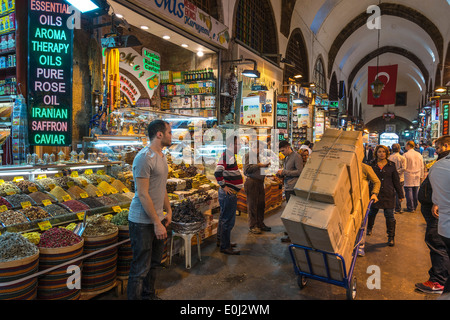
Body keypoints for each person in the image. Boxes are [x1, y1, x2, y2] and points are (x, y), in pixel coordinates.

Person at [127, 120, 172, 300]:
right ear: (159, 134)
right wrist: (156, 222)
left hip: (157, 218)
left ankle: (149, 295)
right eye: (169, 132)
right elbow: (143, 194)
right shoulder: (144, 157)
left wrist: (168, 211)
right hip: (141, 222)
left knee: (154, 263)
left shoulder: (161, 156)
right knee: (140, 268)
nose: (171, 135)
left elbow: (162, 187)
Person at [415, 136, 450, 294]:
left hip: (441, 214)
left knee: (437, 244)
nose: (435, 151)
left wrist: (436, 201)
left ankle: (438, 281)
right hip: (438, 211)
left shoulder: (444, 164)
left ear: (446, 145)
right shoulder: (442, 162)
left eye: (438, 147)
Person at [367, 145, 404, 247]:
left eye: (384, 152)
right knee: (371, 213)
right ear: (376, 153)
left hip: (388, 194)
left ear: (387, 153)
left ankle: (391, 237)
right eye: (379, 152)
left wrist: (400, 194)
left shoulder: (391, 165)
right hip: (375, 194)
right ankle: (369, 228)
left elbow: (396, 180)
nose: (381, 153)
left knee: (390, 216)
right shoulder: (371, 164)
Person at [214, 136, 244, 255]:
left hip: (229, 193)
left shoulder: (230, 156)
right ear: (231, 145)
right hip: (228, 194)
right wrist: (224, 186)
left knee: (223, 218)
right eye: (238, 144)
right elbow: (217, 172)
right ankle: (225, 247)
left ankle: (222, 241)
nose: (240, 147)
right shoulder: (227, 156)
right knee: (228, 220)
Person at [429, 136, 450, 294]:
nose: (436, 151)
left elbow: (436, 197)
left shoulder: (438, 167)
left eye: (437, 148)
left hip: (444, 226)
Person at [277, 140, 303, 243]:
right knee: (289, 211)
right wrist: (281, 174)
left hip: (293, 187)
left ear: (288, 147)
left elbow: (300, 172)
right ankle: (291, 232)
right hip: (288, 187)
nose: (282, 153)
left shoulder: (296, 157)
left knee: (292, 213)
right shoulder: (287, 157)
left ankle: (293, 236)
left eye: (283, 150)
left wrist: (284, 172)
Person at [244, 139, 270, 234]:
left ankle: (260, 223)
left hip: (260, 183)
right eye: (261, 148)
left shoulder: (259, 156)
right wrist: (259, 165)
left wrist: (266, 167)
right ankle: (252, 225)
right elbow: (246, 170)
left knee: (261, 204)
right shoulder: (248, 156)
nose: (262, 150)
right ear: (255, 147)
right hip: (252, 183)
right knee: (252, 205)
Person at [357, 162, 381, 256]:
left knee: (362, 223)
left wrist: (374, 193)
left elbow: (376, 181)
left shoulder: (365, 167)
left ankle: (360, 246)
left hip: (362, 200)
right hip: (346, 201)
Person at [403, 140, 425, 212]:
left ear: (408, 145)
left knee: (408, 191)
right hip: (417, 175)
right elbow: (422, 166)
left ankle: (410, 207)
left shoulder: (405, 155)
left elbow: (404, 166)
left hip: (408, 175)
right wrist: (422, 176)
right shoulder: (419, 155)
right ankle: (415, 206)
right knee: (415, 191)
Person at [389, 143, 407, 213]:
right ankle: (397, 209)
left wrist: (393, 172)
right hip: (400, 178)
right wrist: (397, 172)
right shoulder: (402, 158)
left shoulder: (389, 157)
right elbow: (404, 168)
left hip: (391, 178)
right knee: (398, 193)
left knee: (392, 193)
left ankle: (391, 208)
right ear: (399, 149)